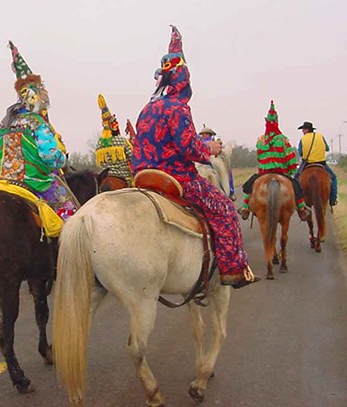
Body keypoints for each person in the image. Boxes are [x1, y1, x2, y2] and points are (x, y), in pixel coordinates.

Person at [132, 25, 259, 289]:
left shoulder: (147, 108)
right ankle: (233, 269)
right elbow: (189, 148)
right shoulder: (178, 108)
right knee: (225, 210)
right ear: (183, 81)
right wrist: (210, 150)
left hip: (142, 176)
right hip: (176, 177)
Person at [0, 41, 77, 221]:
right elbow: (50, 157)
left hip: (0, 182)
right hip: (34, 181)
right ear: (35, 96)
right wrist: (62, 159)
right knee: (71, 212)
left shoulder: (5, 123)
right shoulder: (36, 122)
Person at [237, 101, 311, 222]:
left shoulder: (261, 140)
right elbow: (290, 158)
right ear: (277, 122)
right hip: (281, 172)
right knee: (296, 186)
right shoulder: (283, 139)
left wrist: (262, 169)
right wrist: (291, 171)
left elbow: (259, 158)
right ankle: (302, 209)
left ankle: (245, 208)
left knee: (249, 187)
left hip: (263, 173)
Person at [296, 121, 338, 206]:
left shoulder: (303, 139)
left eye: (303, 129)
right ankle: (333, 200)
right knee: (333, 178)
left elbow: (300, 153)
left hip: (307, 164)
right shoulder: (320, 136)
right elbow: (327, 148)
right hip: (321, 163)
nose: (302, 131)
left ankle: (297, 202)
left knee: (295, 179)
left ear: (307, 130)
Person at [95, 94, 133, 186]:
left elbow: (98, 163)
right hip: (124, 177)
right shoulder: (122, 141)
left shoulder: (99, 143)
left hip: (104, 178)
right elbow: (132, 157)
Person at [198, 125, 236, 201]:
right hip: (207, 158)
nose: (204, 135)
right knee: (226, 165)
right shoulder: (212, 143)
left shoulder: (200, 142)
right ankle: (231, 191)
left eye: (205, 134)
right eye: (203, 134)